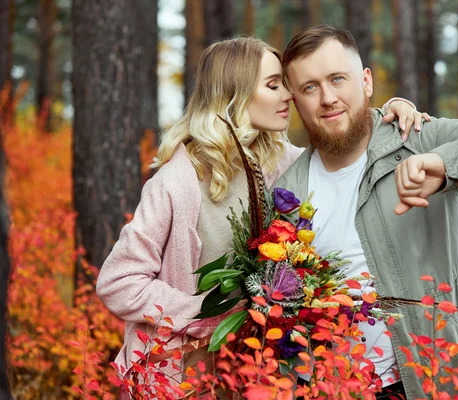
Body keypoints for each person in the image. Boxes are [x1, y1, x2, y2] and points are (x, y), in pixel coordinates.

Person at [95, 36, 426, 391]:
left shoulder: (283, 160)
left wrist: (393, 110)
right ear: (235, 96)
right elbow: (118, 281)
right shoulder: (179, 181)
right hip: (177, 372)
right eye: (274, 85)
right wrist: (208, 315)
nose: (289, 95)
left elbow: (345, 138)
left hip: (250, 372)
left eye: (285, 83)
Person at [276, 25, 458, 400]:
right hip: (335, 388)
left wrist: (441, 165)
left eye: (338, 79)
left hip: (433, 377)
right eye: (309, 87)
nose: (328, 98)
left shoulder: (417, 137)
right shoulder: (287, 192)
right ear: (296, 101)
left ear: (366, 81)